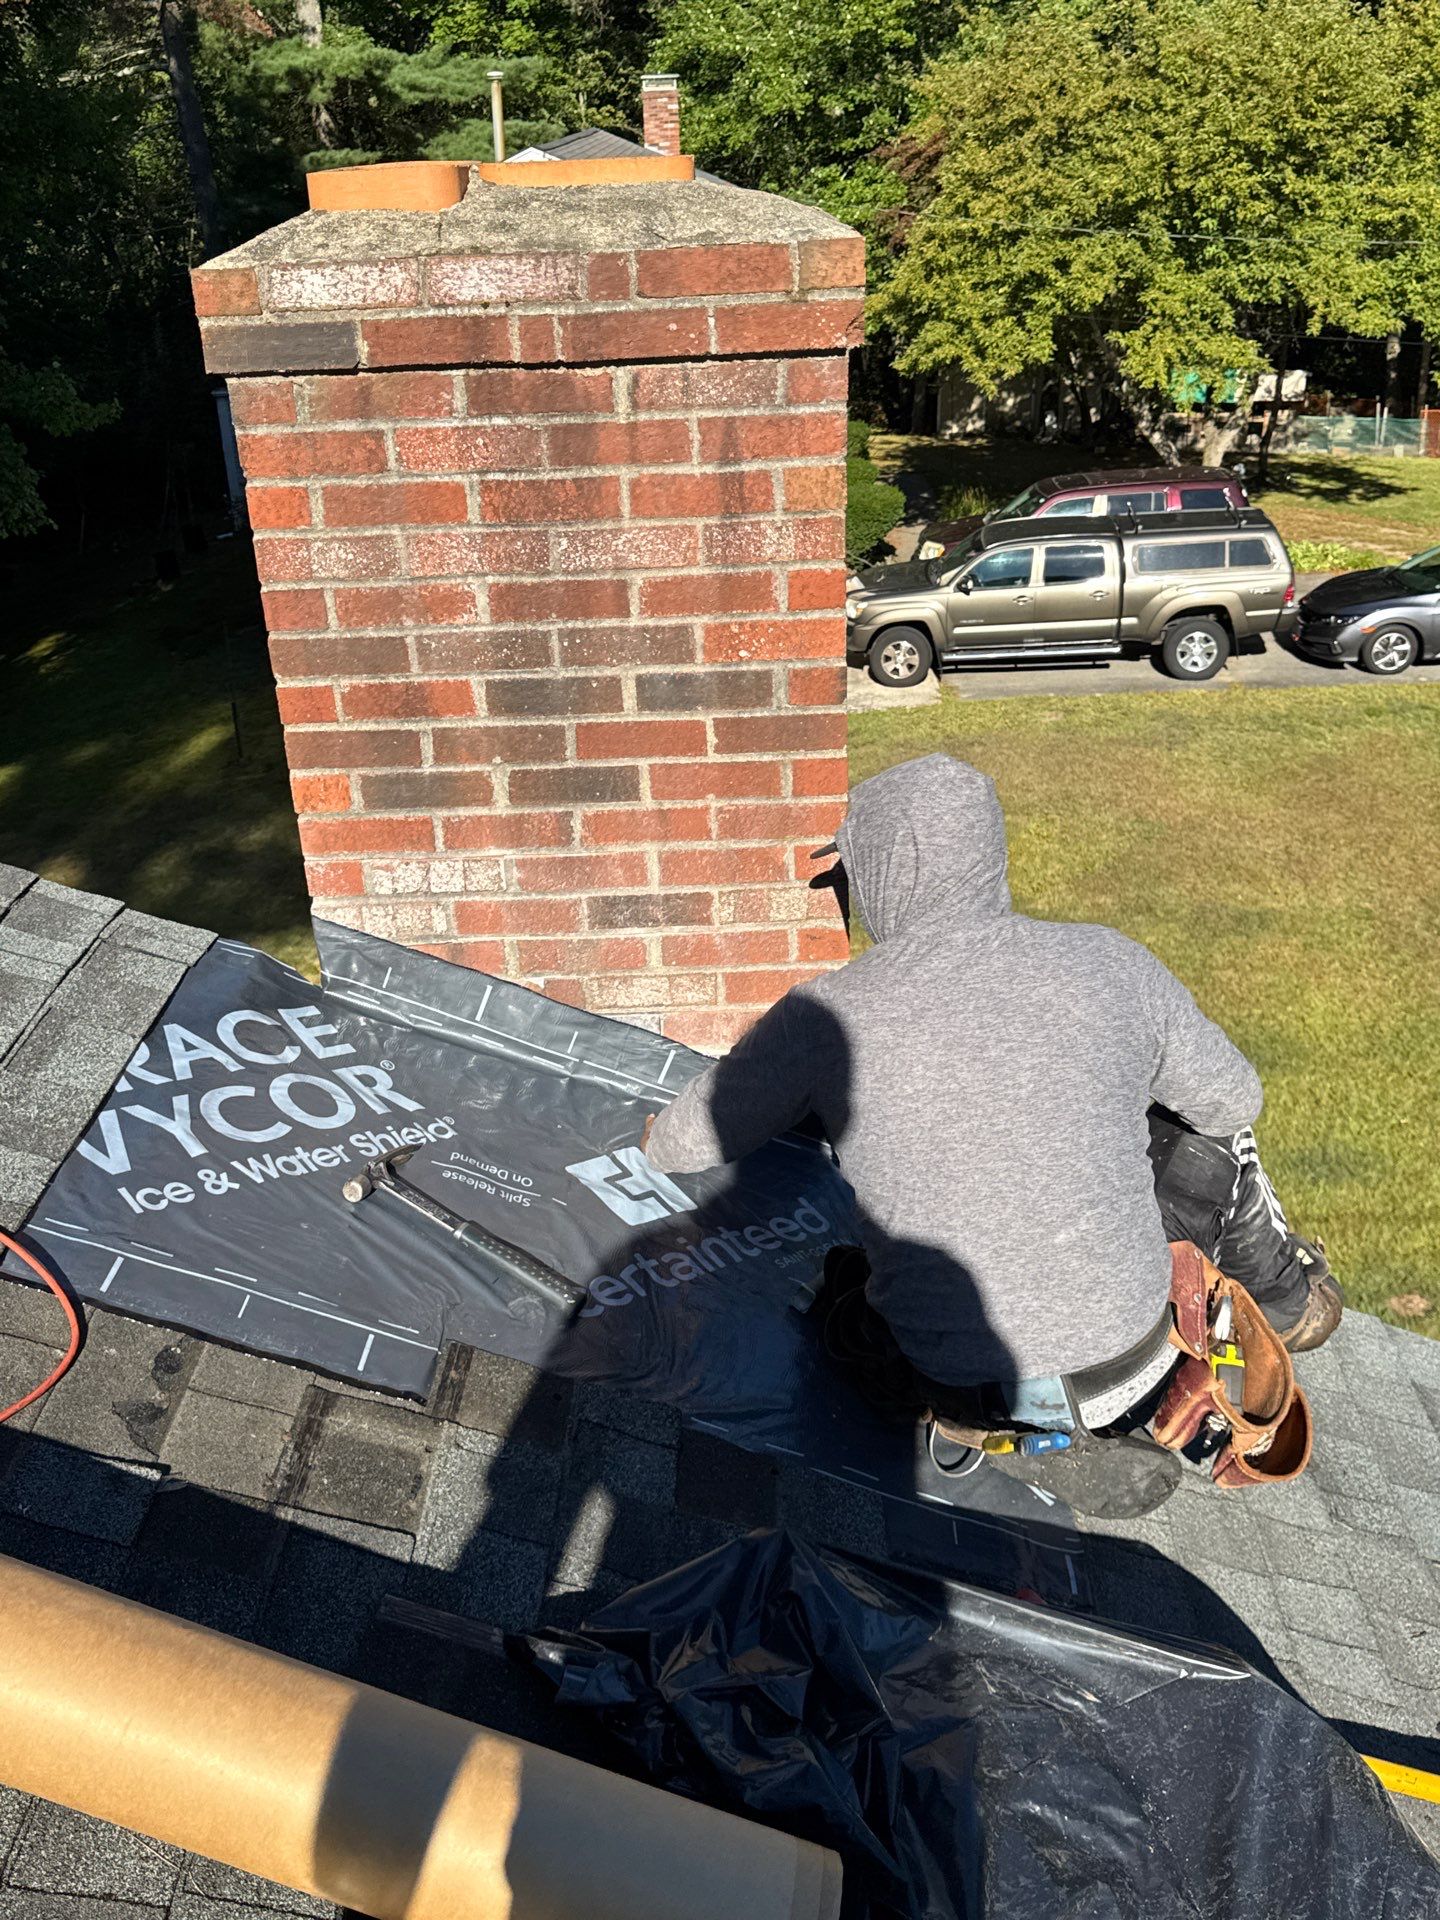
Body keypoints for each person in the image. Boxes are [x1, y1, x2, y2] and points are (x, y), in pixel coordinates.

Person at [644, 753, 1341, 1517]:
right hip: (1137, 1363)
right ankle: (1281, 1302)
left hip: (953, 1381)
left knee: (846, 1290)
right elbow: (1235, 1098)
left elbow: (684, 1143)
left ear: (884, 873)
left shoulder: (826, 1014)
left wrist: (657, 1129)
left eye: (851, 877)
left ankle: (1004, 1427)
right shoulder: (1111, 962)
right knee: (1203, 1133)